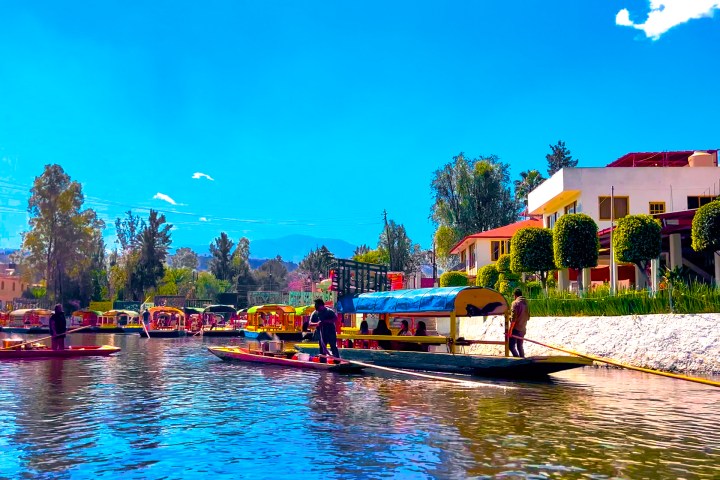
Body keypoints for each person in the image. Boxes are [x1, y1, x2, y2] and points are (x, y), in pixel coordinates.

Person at [509, 288, 530, 358]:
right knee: (520, 346)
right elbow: (528, 317)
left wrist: (510, 331)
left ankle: (518, 360)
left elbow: (513, 319)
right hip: (523, 329)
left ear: (515, 295)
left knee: (511, 346)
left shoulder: (515, 303)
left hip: (516, 329)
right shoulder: (526, 303)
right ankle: (523, 361)